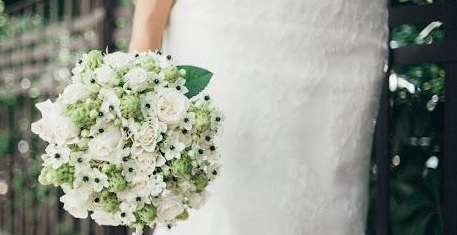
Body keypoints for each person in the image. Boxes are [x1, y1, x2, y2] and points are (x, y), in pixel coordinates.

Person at [129, 0, 388, 234]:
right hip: (229, 26)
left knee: (330, 194)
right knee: (227, 188)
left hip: (346, 30)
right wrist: (137, 67)